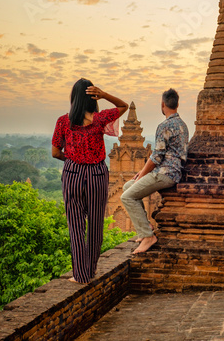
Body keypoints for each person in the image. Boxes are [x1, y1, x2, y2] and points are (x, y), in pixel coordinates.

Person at [51, 78, 128, 284]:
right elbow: (123, 106)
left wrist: (73, 160)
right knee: (95, 224)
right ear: (92, 98)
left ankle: (80, 275)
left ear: (74, 98)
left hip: (73, 174)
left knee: (76, 226)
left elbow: (55, 152)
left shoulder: (63, 121)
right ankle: (90, 271)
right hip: (96, 175)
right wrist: (104, 95)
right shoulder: (100, 119)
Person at [121, 88, 189, 254]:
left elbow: (157, 157)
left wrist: (142, 173)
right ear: (177, 104)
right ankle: (146, 225)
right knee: (126, 187)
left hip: (164, 174)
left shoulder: (165, 126)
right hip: (172, 172)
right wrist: (140, 174)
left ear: (163, 104)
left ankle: (147, 236)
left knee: (127, 196)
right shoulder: (183, 125)